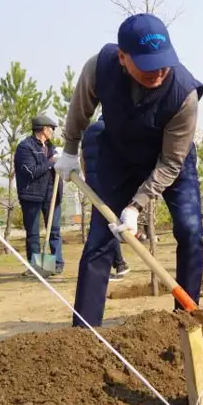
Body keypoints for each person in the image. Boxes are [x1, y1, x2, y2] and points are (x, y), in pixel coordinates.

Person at [54, 12, 203, 328]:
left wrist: (136, 206)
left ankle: (187, 320)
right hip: (119, 155)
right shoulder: (100, 67)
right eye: (148, 65)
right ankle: (85, 332)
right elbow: (80, 110)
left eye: (163, 63)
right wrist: (69, 150)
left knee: (190, 230)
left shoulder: (183, 93)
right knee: (101, 238)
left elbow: (171, 162)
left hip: (169, 161)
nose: (158, 72)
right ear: (123, 57)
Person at [81, 116, 131, 282]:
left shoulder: (89, 131)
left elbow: (83, 161)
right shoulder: (119, 128)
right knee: (109, 225)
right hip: (113, 185)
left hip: (95, 187)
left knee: (105, 226)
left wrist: (89, 183)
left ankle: (118, 264)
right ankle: (118, 264)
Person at [14, 114, 64, 276]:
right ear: (43, 129)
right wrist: (51, 162)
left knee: (54, 231)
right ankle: (36, 266)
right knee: (33, 233)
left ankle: (57, 263)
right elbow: (31, 172)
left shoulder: (52, 147)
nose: (53, 132)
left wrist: (62, 161)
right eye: (51, 129)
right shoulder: (25, 147)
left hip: (52, 194)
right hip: (32, 196)